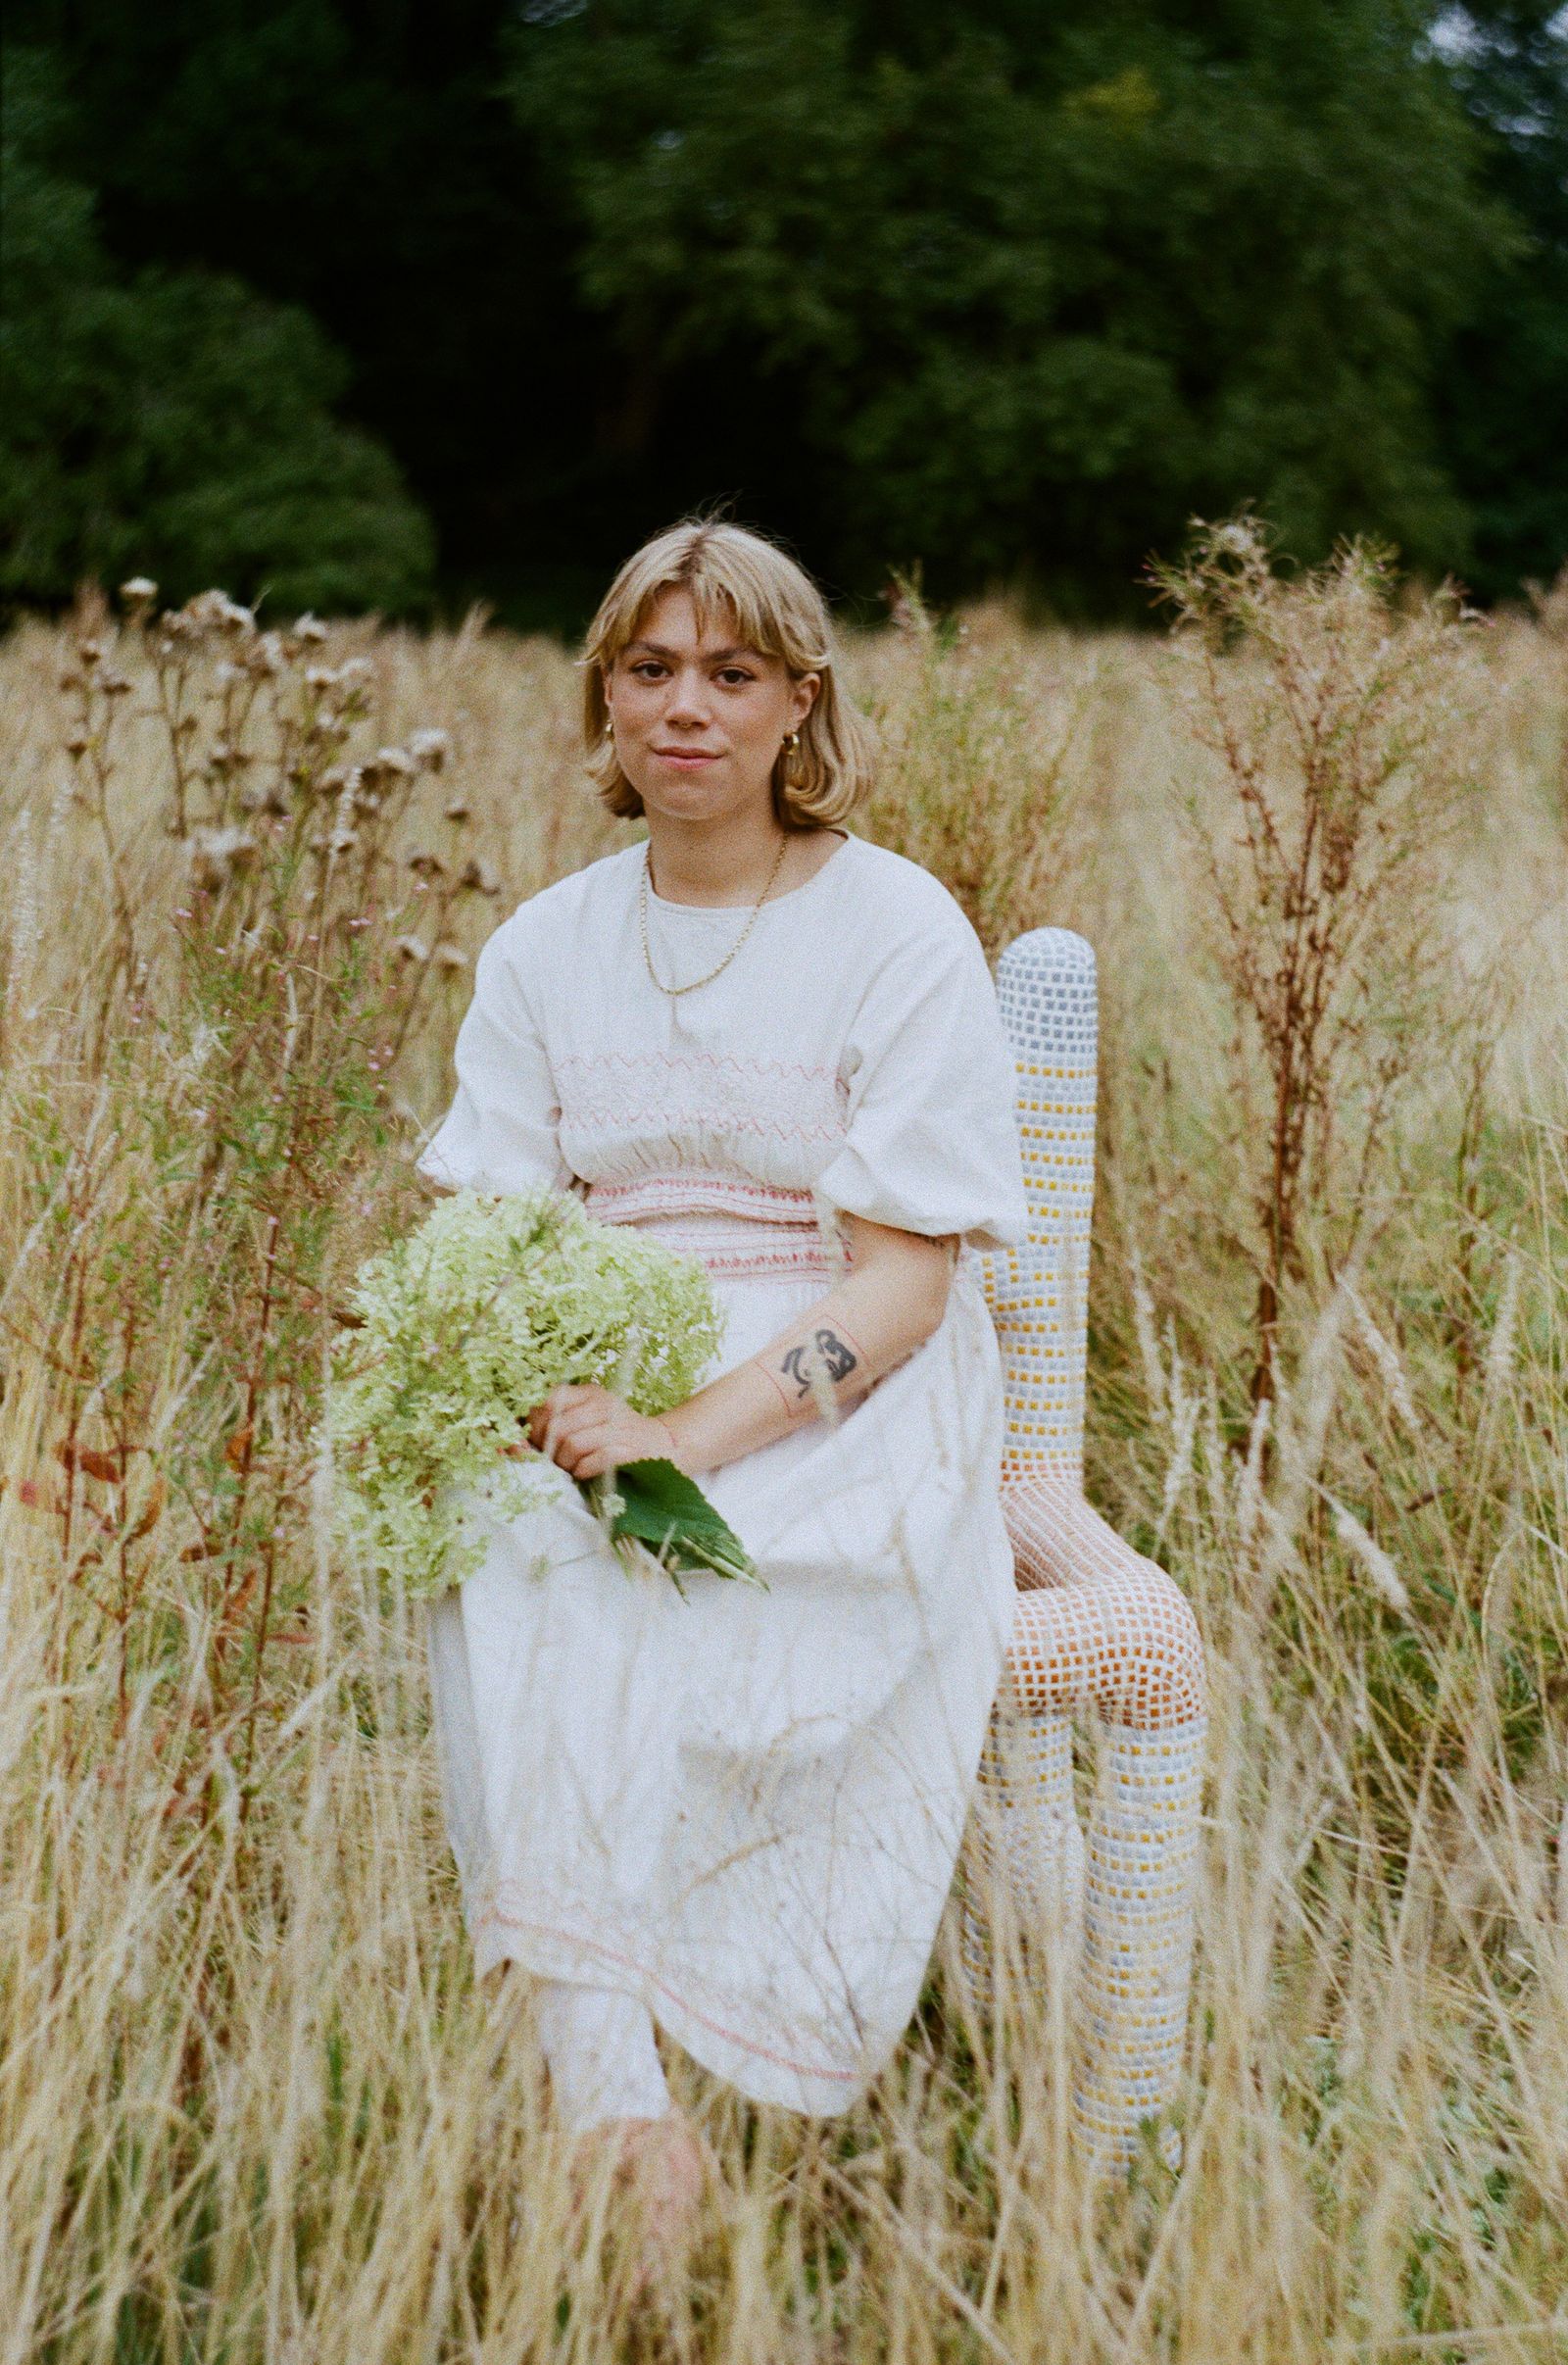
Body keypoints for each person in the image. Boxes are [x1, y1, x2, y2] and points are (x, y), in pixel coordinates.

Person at [415, 517, 1031, 2243]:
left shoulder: (899, 926)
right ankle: (617, 2098)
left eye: (732, 674)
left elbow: (907, 1278)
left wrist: (681, 1437)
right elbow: (500, 1238)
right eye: (652, 668)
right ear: (608, 699)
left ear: (796, 706)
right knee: (522, 1536)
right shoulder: (544, 943)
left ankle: (701, 2029)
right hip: (599, 1351)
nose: (687, 707)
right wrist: (549, 1403)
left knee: (675, 1567)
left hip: (840, 1374)